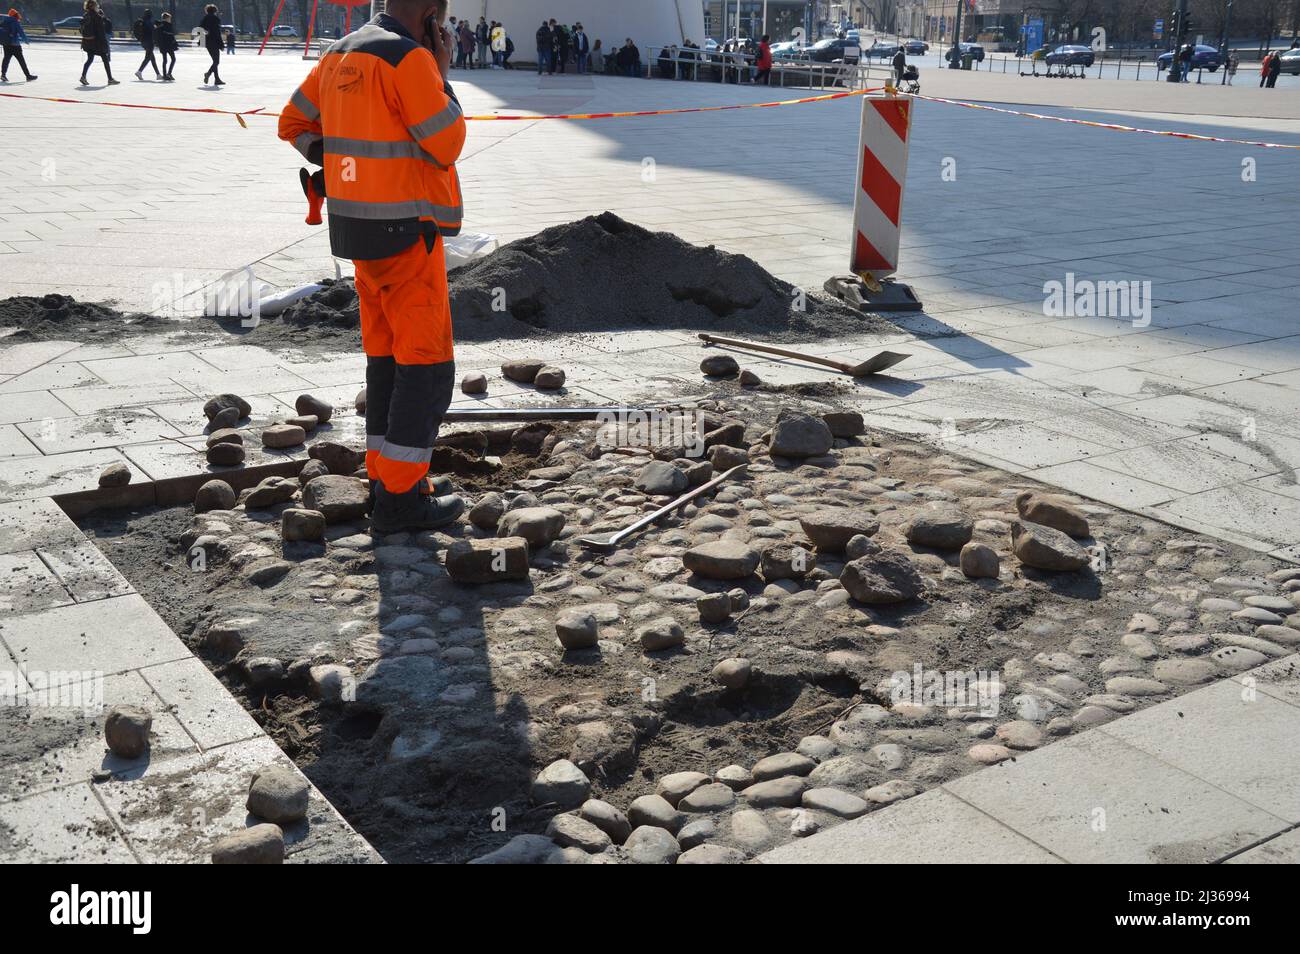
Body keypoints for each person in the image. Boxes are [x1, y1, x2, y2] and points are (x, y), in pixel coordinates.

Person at [278, 0, 466, 533]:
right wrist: (443, 74)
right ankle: (402, 501)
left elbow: (293, 123)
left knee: (385, 360)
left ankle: (386, 478)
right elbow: (446, 141)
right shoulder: (410, 61)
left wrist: (339, 159)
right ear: (432, 15)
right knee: (426, 368)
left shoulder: (341, 52)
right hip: (408, 235)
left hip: (358, 234)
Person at [79, 0, 115, 85]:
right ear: (94, 6)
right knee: (105, 59)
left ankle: (83, 77)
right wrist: (104, 43)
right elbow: (101, 32)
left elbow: (81, 30)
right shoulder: (97, 16)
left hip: (87, 42)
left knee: (90, 59)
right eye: (96, 6)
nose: (97, 7)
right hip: (97, 43)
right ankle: (110, 79)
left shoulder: (85, 15)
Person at [1, 7, 36, 82]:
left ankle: (3, 75)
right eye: (17, 14)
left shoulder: (4, 21)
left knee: (6, 59)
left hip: (6, 44)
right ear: (15, 15)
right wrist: (26, 40)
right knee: (21, 61)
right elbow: (21, 32)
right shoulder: (15, 22)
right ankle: (28, 76)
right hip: (15, 45)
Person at [199, 3, 223, 85]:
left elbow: (199, 29)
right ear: (215, 11)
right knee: (216, 62)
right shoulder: (215, 19)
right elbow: (217, 33)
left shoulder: (204, 19)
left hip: (207, 43)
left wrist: (202, 41)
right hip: (214, 42)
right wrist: (221, 44)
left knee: (214, 61)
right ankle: (208, 73)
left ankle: (217, 79)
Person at [133, 8, 160, 79]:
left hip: (143, 42)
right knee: (148, 57)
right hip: (149, 42)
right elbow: (153, 31)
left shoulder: (142, 21)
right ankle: (139, 71)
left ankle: (158, 74)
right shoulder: (149, 22)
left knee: (152, 58)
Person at [155, 11, 177, 80]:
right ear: (167, 18)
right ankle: (169, 73)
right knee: (173, 59)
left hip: (162, 45)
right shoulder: (168, 25)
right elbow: (172, 35)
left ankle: (165, 75)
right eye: (169, 18)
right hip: (168, 45)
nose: (170, 20)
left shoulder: (159, 25)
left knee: (165, 60)